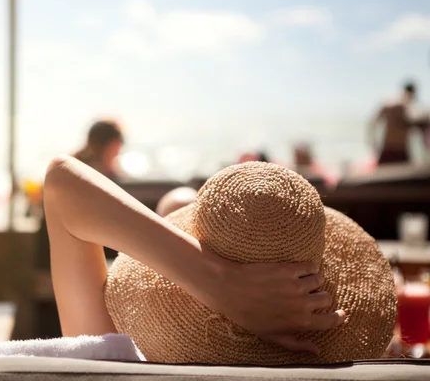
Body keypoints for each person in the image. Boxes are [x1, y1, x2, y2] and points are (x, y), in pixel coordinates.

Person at [43, 155, 396, 364]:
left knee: (176, 200)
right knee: (178, 201)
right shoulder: (342, 365)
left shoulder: (121, 357)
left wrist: (219, 282)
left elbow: (61, 182)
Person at [369, 82, 429, 165]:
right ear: (413, 94)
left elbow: (373, 123)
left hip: (389, 150)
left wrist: (374, 145)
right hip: (399, 151)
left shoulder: (388, 104)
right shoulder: (409, 109)